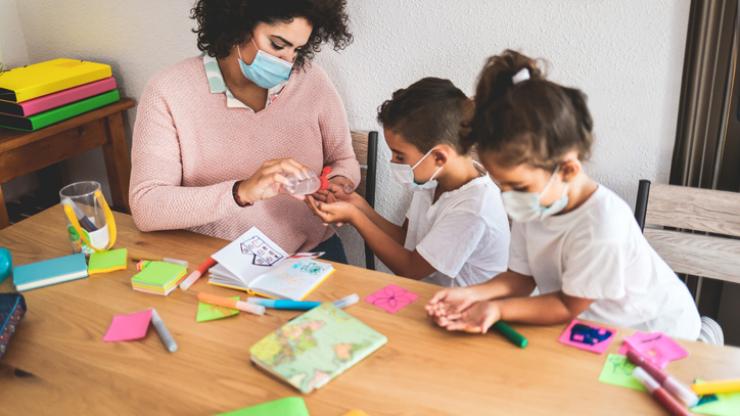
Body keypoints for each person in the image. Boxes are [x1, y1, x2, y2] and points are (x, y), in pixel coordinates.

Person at [427, 50, 701, 340]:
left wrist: (497, 310)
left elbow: (566, 305)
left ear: (568, 170)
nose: (509, 199)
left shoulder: (602, 225)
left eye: (517, 187)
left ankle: (708, 332)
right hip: (593, 326)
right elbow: (520, 278)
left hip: (658, 331)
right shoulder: (535, 202)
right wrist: (469, 294)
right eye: (502, 186)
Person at [129, 0, 359, 262]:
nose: (288, 61)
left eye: (297, 49)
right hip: (215, 260)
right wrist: (241, 192)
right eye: (278, 44)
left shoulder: (311, 80)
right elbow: (147, 206)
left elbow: (343, 160)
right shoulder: (169, 91)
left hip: (308, 256)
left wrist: (338, 184)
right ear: (237, 26)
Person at [307, 78, 510, 287]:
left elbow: (411, 269)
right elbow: (406, 237)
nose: (392, 162)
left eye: (400, 156)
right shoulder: (431, 180)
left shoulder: (473, 208)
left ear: (439, 157)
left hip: (468, 310)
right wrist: (357, 205)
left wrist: (355, 217)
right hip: (430, 297)